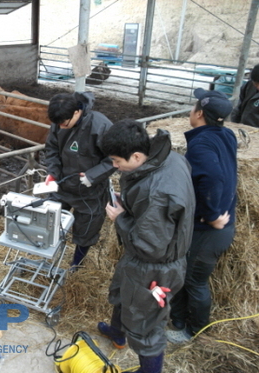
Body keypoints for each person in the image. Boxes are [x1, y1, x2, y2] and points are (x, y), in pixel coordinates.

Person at [98, 120, 195, 373]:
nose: (115, 166)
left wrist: (120, 218)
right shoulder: (168, 158)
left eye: (118, 161)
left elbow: (149, 245)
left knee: (145, 324)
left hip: (154, 267)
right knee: (122, 293)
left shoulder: (157, 194)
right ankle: (118, 334)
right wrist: (130, 205)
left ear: (137, 155)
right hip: (142, 258)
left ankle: (150, 369)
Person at [166, 89, 237, 344]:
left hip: (210, 230)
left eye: (193, 107)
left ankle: (194, 332)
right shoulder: (226, 135)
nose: (190, 112)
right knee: (187, 276)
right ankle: (179, 319)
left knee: (194, 281)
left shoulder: (201, 143)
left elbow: (213, 178)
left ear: (199, 114)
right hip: (217, 226)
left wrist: (211, 215)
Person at [44, 92, 116, 271]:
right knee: (51, 221)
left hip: (90, 191)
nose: (61, 127)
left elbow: (114, 158)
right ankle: (50, 257)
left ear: (77, 112)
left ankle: (76, 263)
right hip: (62, 185)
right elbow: (52, 148)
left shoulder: (101, 126)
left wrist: (93, 176)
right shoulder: (60, 122)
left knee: (87, 228)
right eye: (58, 124)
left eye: (64, 124)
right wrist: (53, 172)